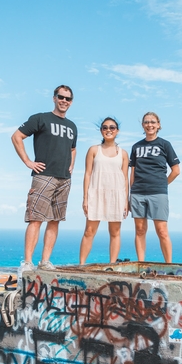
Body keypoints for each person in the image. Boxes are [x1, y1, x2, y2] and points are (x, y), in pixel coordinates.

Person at [11, 85, 77, 271]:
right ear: (54, 98)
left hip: (64, 179)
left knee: (55, 220)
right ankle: (27, 262)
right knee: (36, 219)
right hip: (43, 176)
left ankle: (45, 261)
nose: (64, 101)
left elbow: (73, 148)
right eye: (61, 97)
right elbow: (16, 137)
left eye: (68, 99)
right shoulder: (41, 118)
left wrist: (71, 165)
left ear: (71, 102)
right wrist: (27, 161)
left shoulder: (72, 126)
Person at [129, 112, 180, 263]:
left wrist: (163, 184)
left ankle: (169, 265)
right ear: (142, 125)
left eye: (153, 122)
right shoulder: (136, 147)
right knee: (139, 230)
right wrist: (131, 193)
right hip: (138, 193)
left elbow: (176, 170)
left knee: (162, 231)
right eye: (146, 122)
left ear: (158, 125)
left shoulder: (165, 144)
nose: (149, 125)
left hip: (158, 193)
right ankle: (141, 263)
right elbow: (132, 172)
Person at [78, 117, 129, 264]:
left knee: (115, 232)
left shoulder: (123, 153)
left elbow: (125, 178)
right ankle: (81, 265)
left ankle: (112, 264)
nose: (108, 130)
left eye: (112, 127)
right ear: (101, 131)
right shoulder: (94, 150)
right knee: (89, 231)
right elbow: (87, 174)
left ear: (117, 131)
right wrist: (85, 198)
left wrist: (126, 201)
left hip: (116, 195)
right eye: (105, 127)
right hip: (96, 193)